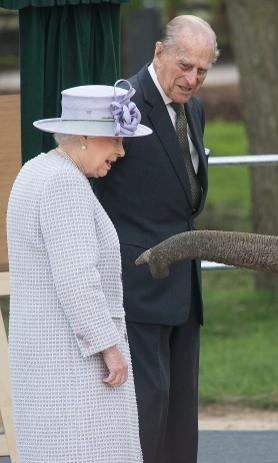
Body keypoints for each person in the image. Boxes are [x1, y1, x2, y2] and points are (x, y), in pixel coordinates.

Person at [92, 15, 218, 463]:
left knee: (183, 411)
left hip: (185, 285)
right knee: (148, 405)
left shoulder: (195, 109)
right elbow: (95, 186)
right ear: (159, 52)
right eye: (184, 65)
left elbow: (187, 196)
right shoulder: (120, 104)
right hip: (137, 283)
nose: (192, 79)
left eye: (202, 71)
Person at [6, 81, 152, 462]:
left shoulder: (36, 170)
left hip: (44, 358)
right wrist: (111, 349)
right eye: (116, 140)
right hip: (73, 365)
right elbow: (77, 280)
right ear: (86, 136)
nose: (121, 151)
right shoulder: (63, 184)